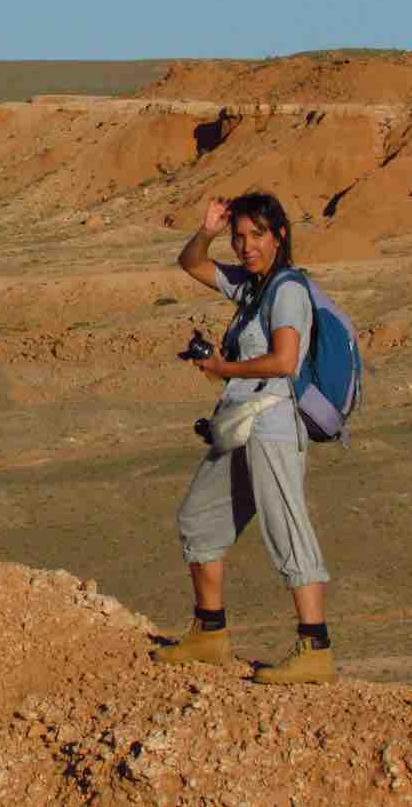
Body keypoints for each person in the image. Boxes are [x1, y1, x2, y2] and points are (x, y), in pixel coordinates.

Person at [152, 192, 336, 685]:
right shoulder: (252, 288)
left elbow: (284, 361)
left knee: (287, 527)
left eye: (257, 234)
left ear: (279, 235)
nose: (246, 245)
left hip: (274, 424)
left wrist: (221, 368)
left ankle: (315, 648)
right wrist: (208, 227)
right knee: (198, 519)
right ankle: (210, 634)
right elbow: (191, 262)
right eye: (239, 236)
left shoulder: (288, 291)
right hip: (240, 423)